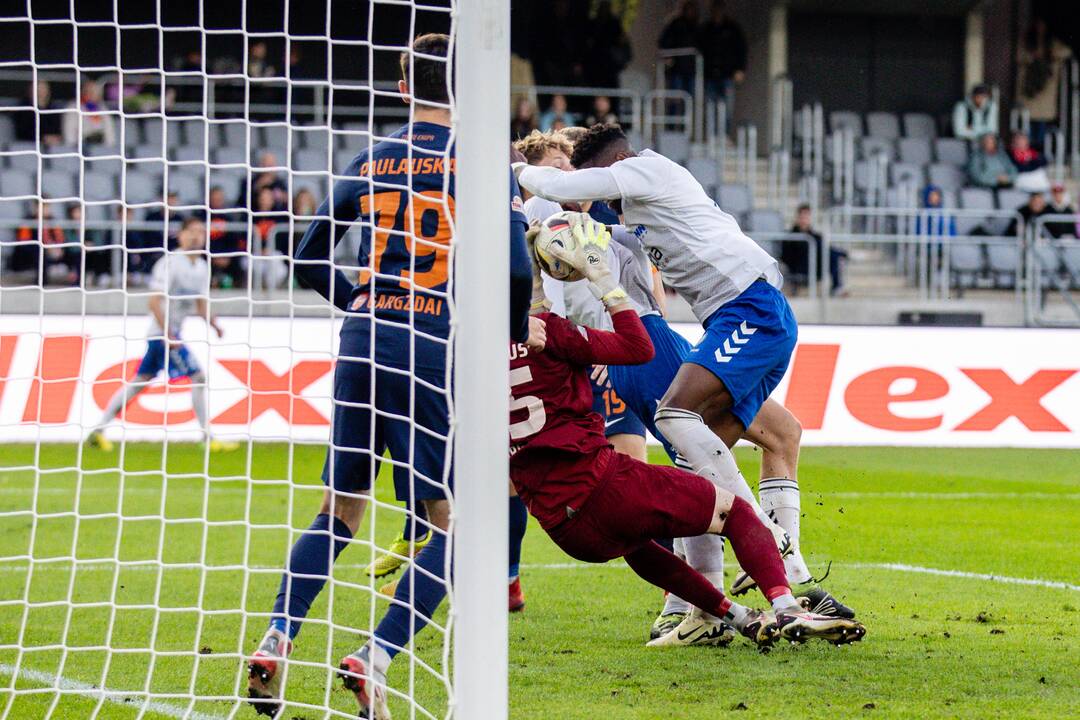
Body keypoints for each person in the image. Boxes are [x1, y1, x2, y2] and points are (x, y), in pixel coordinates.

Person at [246, 34, 535, 720]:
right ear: (468, 90)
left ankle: (275, 639)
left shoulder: (371, 156)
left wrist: (360, 302)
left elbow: (308, 252)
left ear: (404, 88)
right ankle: (373, 656)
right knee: (459, 527)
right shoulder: (481, 162)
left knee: (339, 513)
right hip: (432, 343)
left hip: (361, 340)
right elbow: (519, 269)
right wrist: (511, 333)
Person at [515, 124, 855, 637]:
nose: (572, 181)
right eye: (557, 167)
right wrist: (515, 173)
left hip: (709, 321)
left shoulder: (638, 180)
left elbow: (614, 231)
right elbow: (562, 218)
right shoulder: (551, 211)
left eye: (572, 167)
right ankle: (768, 562)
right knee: (693, 434)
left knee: (758, 443)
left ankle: (699, 607)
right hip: (657, 339)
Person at [86, 217, 238, 453]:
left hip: (171, 334)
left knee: (139, 382)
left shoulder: (202, 267)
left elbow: (200, 305)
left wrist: (214, 324)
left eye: (201, 232)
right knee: (198, 377)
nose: (197, 236)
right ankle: (208, 438)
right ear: (181, 235)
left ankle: (98, 430)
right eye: (192, 232)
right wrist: (168, 333)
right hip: (162, 335)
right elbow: (154, 302)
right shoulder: (170, 263)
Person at [1017, 18, 1073, 147]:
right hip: (1029, 90)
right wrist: (1032, 57)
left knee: (1041, 126)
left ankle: (1039, 153)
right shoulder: (1027, 41)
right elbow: (1020, 56)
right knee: (1027, 125)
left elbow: (1066, 52)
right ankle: (1027, 151)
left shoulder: (1053, 43)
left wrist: (1050, 55)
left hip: (1046, 91)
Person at [783, 203, 847, 296]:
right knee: (829, 253)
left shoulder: (815, 235)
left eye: (807, 216)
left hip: (815, 266)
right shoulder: (792, 236)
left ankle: (837, 286)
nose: (805, 219)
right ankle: (837, 285)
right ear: (798, 217)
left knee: (831, 256)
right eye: (802, 216)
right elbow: (788, 256)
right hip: (799, 266)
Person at [696, 1, 747, 113]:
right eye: (714, 10)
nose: (717, 13)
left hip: (727, 73)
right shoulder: (706, 29)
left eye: (719, 10)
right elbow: (699, 49)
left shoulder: (732, 28)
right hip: (710, 74)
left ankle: (725, 131)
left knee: (727, 107)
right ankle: (711, 130)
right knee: (710, 106)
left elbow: (741, 49)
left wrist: (740, 69)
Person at [584, 0, 632, 89]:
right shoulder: (593, 24)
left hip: (610, 66)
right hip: (594, 64)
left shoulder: (614, 24)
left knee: (610, 89)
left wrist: (625, 58)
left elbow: (622, 41)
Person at [659, 0, 700, 97]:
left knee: (690, 98)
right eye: (688, 9)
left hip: (692, 68)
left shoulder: (697, 26)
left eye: (692, 10)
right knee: (675, 96)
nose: (690, 12)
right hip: (677, 68)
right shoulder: (675, 24)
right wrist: (668, 57)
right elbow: (664, 40)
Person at [62, 77, 116, 147]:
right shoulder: (73, 107)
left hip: (101, 146)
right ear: (84, 92)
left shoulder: (102, 108)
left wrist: (109, 147)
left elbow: (109, 130)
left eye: (96, 92)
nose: (92, 94)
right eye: (90, 91)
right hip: (80, 146)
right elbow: (69, 133)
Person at [13, 80, 63, 146]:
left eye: (43, 89)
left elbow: (57, 131)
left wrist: (55, 138)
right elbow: (22, 132)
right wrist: (43, 138)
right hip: (29, 146)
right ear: (31, 90)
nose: (41, 92)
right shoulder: (23, 109)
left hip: (51, 146)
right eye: (38, 89)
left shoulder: (53, 110)